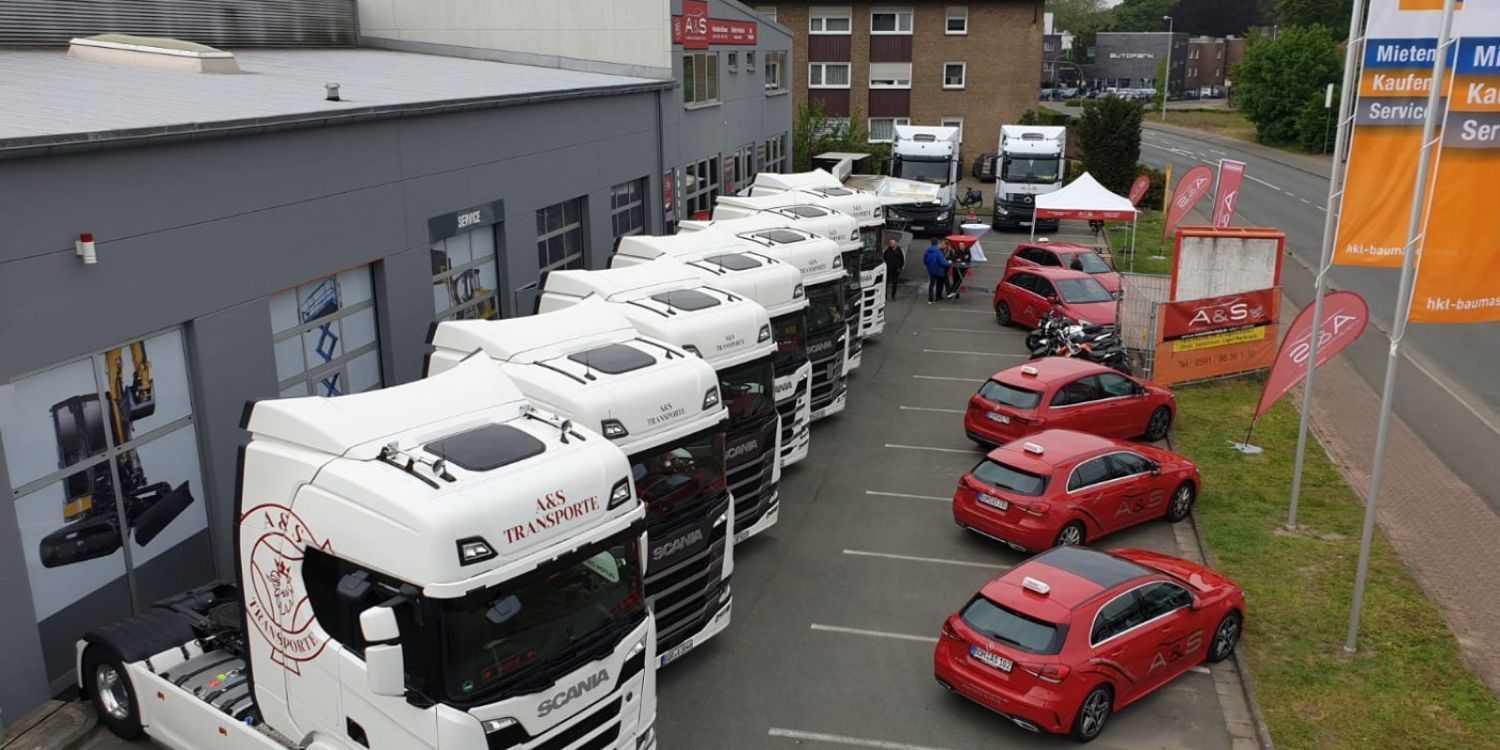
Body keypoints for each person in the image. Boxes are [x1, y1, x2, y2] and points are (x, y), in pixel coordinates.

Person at [923, 239, 950, 304]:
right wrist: (948, 263)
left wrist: (928, 266)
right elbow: (943, 262)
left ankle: (930, 299)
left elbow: (925, 260)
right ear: (937, 243)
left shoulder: (928, 250)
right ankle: (946, 293)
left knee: (931, 284)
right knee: (943, 279)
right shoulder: (938, 252)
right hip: (937, 270)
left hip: (930, 269)